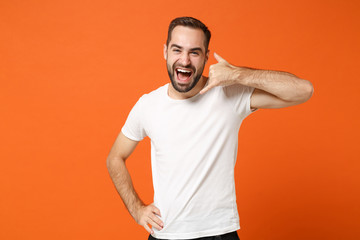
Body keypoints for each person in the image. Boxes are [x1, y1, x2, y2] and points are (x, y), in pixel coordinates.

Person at [107, 16, 313, 240]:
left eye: (194, 52)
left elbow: (303, 90)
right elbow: (115, 158)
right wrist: (137, 209)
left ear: (206, 56)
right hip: (165, 234)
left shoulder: (229, 93)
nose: (184, 60)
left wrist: (237, 74)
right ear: (165, 51)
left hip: (218, 234)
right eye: (177, 50)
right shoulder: (148, 105)